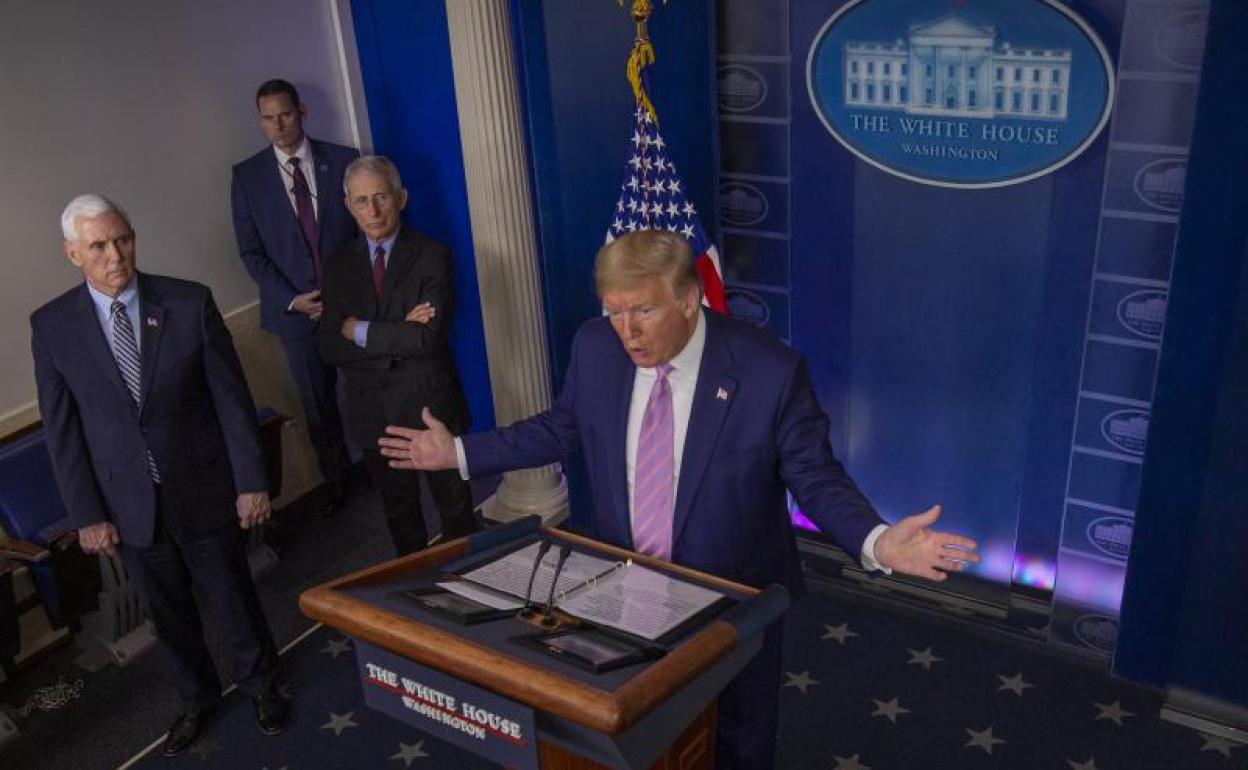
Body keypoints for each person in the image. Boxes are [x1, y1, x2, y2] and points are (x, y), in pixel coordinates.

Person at [379, 229, 980, 770]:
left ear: (689, 300)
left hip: (732, 599)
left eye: (642, 310)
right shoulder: (596, 347)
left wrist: (874, 540)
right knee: (634, 727)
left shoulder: (768, 373)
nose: (627, 331)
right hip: (621, 587)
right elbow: (561, 426)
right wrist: (459, 454)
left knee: (740, 736)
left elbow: (815, 478)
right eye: (614, 312)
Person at [31, 195, 288, 756]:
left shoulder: (188, 302)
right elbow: (64, 431)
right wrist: (89, 515)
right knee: (169, 616)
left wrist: (250, 480)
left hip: (204, 489)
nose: (115, 254)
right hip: (129, 506)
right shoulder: (52, 328)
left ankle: (265, 686)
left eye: (122, 238)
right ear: (73, 253)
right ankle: (197, 700)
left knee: (233, 598)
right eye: (98, 245)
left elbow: (230, 401)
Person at [317, 156, 478, 555]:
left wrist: (358, 329)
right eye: (361, 201)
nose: (371, 211)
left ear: (401, 198)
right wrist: (398, 331)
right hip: (374, 414)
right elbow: (326, 346)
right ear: (347, 205)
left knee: (456, 511)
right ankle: (414, 598)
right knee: (400, 516)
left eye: (381, 198)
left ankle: (475, 592)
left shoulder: (432, 255)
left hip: (430, 409)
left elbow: (427, 340)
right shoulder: (337, 267)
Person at [230, 78, 357, 515]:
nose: (278, 125)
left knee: (367, 390)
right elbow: (251, 252)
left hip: (351, 305)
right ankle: (340, 485)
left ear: (302, 112)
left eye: (285, 114)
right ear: (260, 122)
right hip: (295, 315)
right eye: (268, 119)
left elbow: (364, 233)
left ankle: (386, 465)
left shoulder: (343, 160)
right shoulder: (247, 177)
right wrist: (292, 298)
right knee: (317, 405)